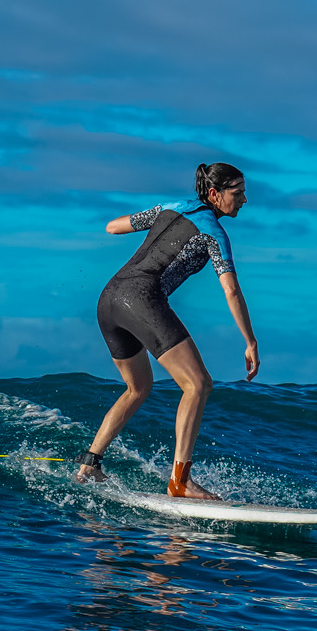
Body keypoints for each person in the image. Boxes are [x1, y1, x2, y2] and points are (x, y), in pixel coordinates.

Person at [76, 162, 258, 499]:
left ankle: (89, 464)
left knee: (137, 388)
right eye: (238, 192)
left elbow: (113, 227)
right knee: (198, 384)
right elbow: (231, 290)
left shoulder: (172, 207)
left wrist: (156, 220)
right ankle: (180, 482)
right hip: (142, 300)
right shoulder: (213, 232)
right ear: (215, 195)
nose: (245, 199)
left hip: (109, 299)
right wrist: (250, 341)